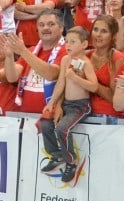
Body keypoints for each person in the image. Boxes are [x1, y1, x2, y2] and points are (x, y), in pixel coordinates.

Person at [39, 26, 97, 182]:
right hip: (66, 104)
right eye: (67, 42)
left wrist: (76, 77)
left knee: (62, 129)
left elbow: (94, 86)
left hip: (80, 105)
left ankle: (71, 160)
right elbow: (61, 84)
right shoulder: (65, 60)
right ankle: (57, 155)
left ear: (84, 45)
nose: (68, 45)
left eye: (73, 42)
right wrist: (51, 103)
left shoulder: (85, 63)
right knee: (45, 124)